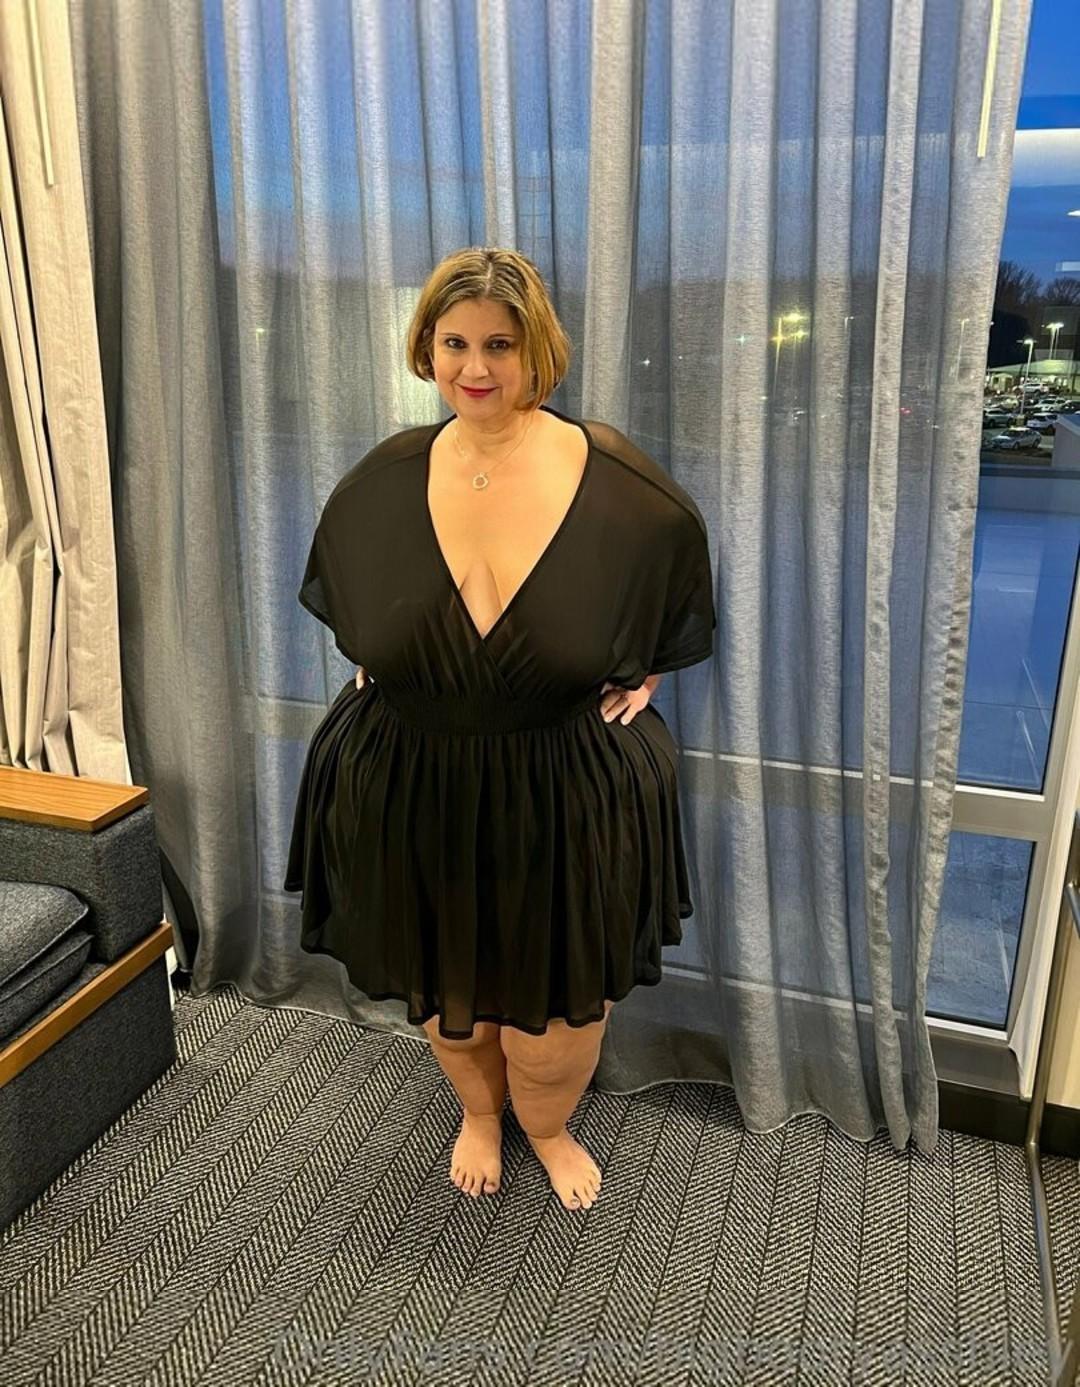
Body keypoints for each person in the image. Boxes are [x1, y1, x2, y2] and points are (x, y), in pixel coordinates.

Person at [285, 247, 716, 1213]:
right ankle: (480, 1114)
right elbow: (350, 592)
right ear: (427, 348)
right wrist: (389, 648)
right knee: (450, 997)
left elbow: (677, 565)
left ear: (538, 351)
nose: (474, 367)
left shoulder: (612, 478)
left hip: (560, 787)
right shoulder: (386, 477)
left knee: (555, 1022)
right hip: (418, 777)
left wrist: (646, 661)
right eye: (455, 343)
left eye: (499, 345)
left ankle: (548, 1125)